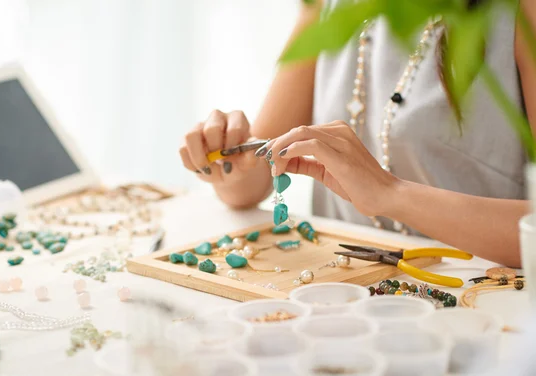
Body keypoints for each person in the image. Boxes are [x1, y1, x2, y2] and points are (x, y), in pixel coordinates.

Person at [179, 0, 536, 267]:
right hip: (344, 289)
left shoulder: (519, 12)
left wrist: (391, 194)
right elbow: (252, 182)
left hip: (481, 294)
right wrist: (223, 156)